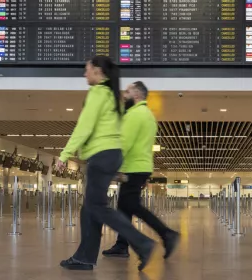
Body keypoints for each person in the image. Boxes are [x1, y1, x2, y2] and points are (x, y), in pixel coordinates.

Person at [57, 56, 155, 272]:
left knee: (97, 206)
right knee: (90, 208)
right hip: (111, 154)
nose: (85, 74)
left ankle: (142, 243)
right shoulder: (114, 97)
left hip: (101, 154)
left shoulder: (98, 93)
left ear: (98, 71)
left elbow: (84, 127)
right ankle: (85, 257)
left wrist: (64, 154)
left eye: (87, 69)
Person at [102, 81, 180, 259]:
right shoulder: (149, 116)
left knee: (131, 205)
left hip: (133, 168)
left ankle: (166, 233)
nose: (124, 95)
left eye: (128, 92)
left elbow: (125, 143)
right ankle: (122, 245)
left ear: (137, 95)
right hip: (142, 167)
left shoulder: (135, 114)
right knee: (124, 208)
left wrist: (112, 166)